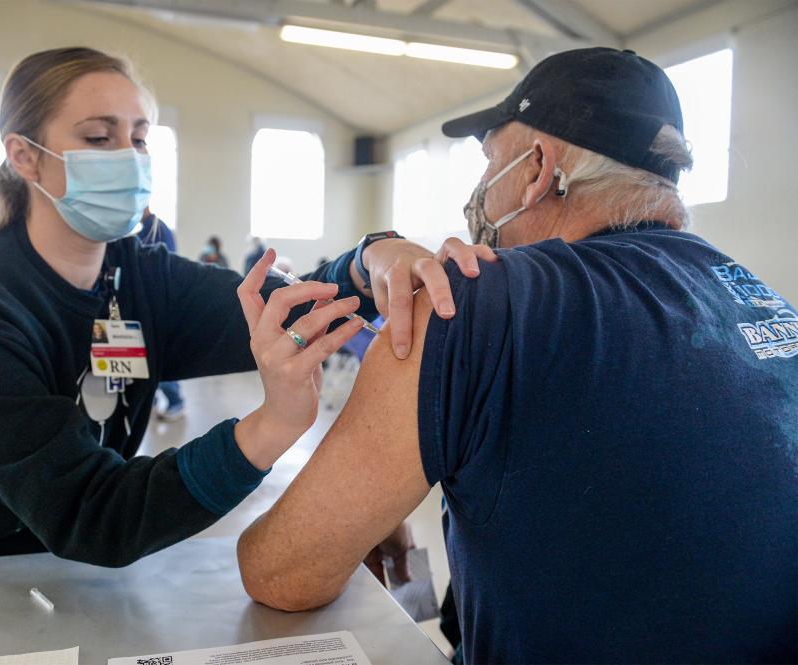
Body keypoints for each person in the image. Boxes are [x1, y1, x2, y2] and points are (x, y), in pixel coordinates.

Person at [237, 48, 797, 663]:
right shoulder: (772, 307)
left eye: (488, 165)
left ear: (536, 169)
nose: (478, 193)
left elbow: (282, 573)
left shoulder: (469, 300)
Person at [0, 47, 484, 568]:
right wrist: (267, 428)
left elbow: (282, 311)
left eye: (140, 137)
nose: (128, 157)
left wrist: (373, 259)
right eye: (99, 136)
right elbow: (96, 516)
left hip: (41, 575)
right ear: (24, 155)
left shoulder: (139, 276)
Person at [138, 208, 186, 420]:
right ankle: (153, 400)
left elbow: (159, 266)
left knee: (159, 359)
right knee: (147, 359)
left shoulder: (158, 229)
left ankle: (175, 402)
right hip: (148, 302)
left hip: (157, 303)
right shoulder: (146, 229)